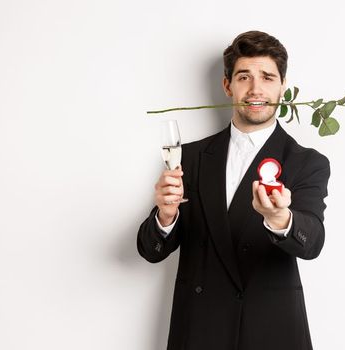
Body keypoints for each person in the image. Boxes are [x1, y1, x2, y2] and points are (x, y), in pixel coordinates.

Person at [137, 30, 331, 350]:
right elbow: (150, 251)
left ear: (282, 86)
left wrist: (281, 218)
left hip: (271, 331)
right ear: (228, 85)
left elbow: (312, 242)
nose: (256, 89)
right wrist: (166, 215)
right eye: (244, 76)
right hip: (199, 329)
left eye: (267, 77)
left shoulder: (307, 162)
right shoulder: (191, 157)